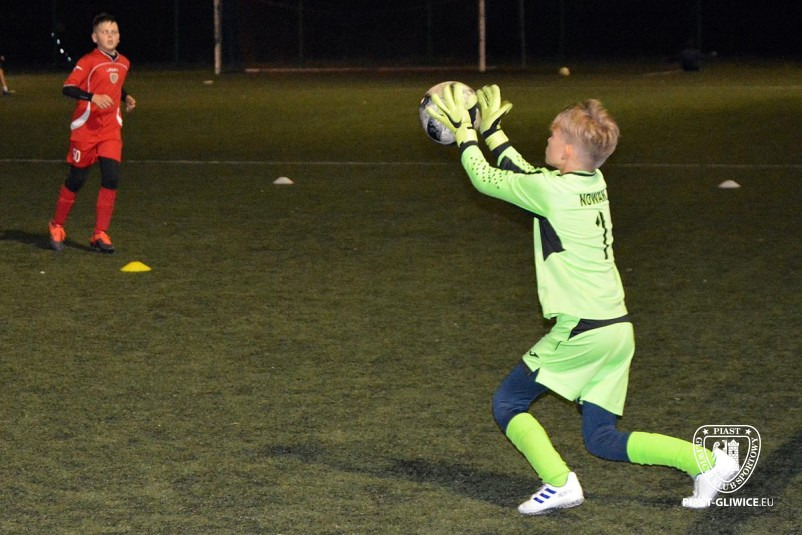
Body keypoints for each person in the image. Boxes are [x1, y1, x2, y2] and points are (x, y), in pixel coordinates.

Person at [426, 84, 738, 514]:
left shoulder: (552, 192)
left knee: (508, 402)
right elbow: (528, 175)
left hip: (584, 330)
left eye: (553, 135)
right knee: (602, 439)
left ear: (569, 151)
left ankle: (559, 483)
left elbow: (486, 179)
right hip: (617, 329)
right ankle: (708, 462)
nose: (548, 140)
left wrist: (465, 133)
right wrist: (494, 133)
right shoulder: (592, 181)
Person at [48, 13, 136, 253]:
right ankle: (57, 225)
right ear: (95, 37)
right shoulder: (88, 61)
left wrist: (126, 97)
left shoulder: (124, 62)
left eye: (114, 32)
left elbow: (115, 84)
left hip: (110, 130)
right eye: (105, 32)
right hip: (86, 129)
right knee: (77, 180)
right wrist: (92, 97)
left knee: (111, 178)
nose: (110, 36)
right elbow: (68, 87)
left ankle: (100, 233)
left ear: (119, 37)